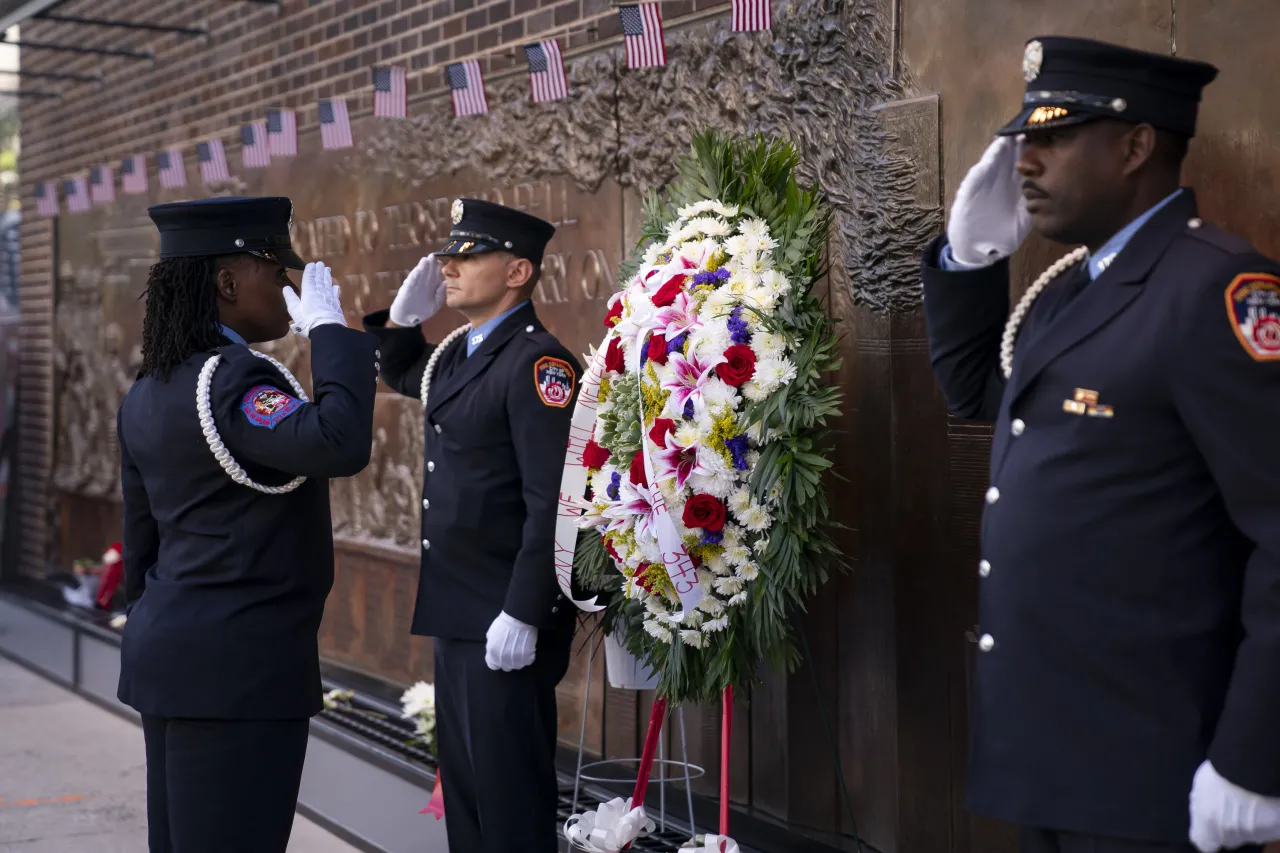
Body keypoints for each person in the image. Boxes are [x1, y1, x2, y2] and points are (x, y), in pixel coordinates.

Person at [921, 36, 1280, 853]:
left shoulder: (1213, 290)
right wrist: (969, 257)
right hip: (1053, 760)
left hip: (1157, 772)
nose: (1024, 162)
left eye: (1051, 137)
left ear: (1134, 145)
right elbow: (979, 389)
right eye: (1022, 141)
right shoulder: (1070, 292)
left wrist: (1255, 758)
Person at [117, 197, 379, 853]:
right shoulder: (232, 380)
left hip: (174, 662)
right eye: (274, 267)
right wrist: (330, 333)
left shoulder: (151, 385)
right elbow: (338, 442)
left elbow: (142, 535)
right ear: (228, 283)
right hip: (239, 675)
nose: (288, 287)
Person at [363, 198, 579, 853]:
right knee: (467, 797)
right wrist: (402, 319)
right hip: (459, 612)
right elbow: (405, 372)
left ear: (517, 271)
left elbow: (553, 501)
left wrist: (525, 609)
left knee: (509, 800)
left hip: (503, 616)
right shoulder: (460, 353)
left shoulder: (539, 364)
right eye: (448, 255)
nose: (447, 267)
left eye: (467, 255)